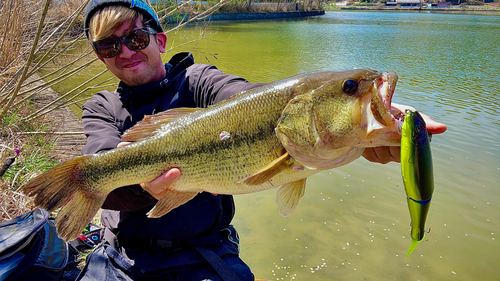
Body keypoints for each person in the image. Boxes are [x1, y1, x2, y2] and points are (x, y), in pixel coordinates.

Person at [77, 1, 447, 280]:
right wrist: (146, 187)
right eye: (110, 47)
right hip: (123, 256)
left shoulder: (200, 81)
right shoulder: (101, 107)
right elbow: (103, 186)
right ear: (100, 57)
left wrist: (366, 130)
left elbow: (253, 96)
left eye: (135, 38)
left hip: (204, 254)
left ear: (160, 39)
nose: (125, 51)